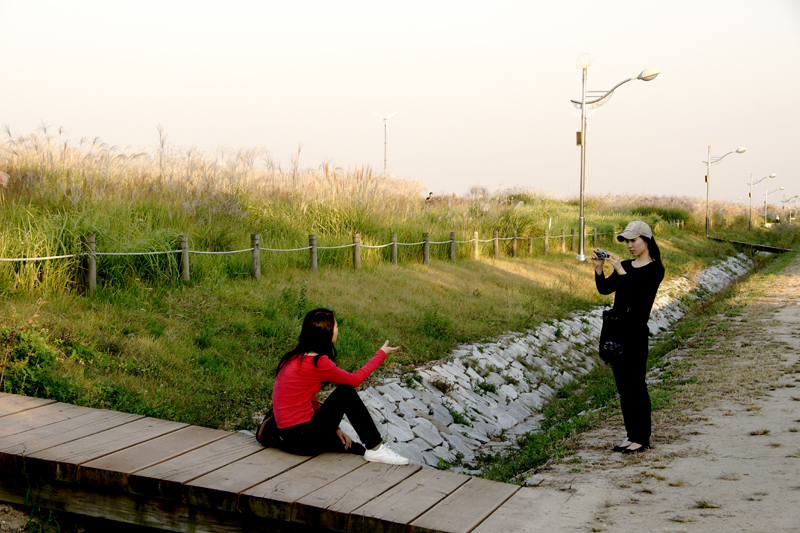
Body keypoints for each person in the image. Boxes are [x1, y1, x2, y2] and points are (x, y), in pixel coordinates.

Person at [271, 308, 409, 465]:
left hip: (289, 437)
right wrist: (381, 354)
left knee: (355, 449)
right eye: (336, 326)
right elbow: (354, 380)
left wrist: (335, 429)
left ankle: (372, 452)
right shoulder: (317, 362)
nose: (337, 329)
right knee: (345, 392)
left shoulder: (294, 355)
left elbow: (304, 398)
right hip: (303, 438)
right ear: (326, 332)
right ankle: (376, 448)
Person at [592, 221, 665, 454]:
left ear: (646, 240)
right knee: (623, 388)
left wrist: (621, 271)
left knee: (637, 387)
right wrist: (599, 268)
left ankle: (642, 438)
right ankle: (631, 436)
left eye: (634, 240)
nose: (630, 245)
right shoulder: (625, 266)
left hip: (635, 334)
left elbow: (637, 301)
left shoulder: (655, 270)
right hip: (617, 333)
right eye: (627, 241)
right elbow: (605, 289)